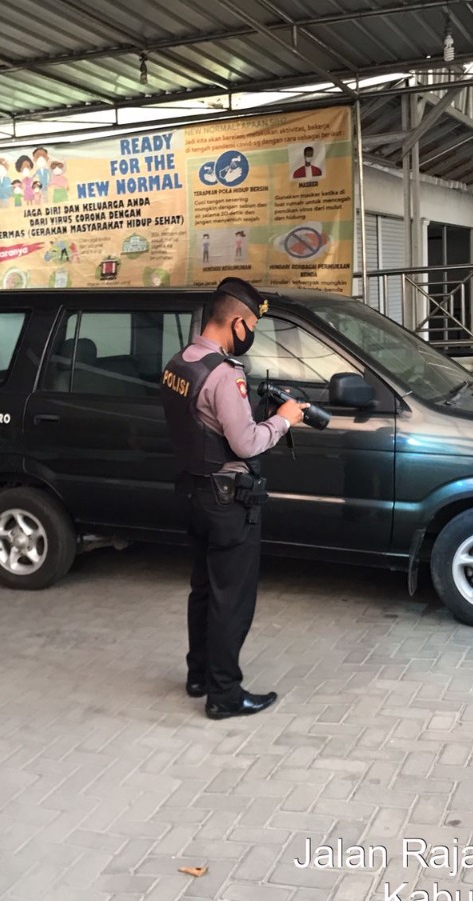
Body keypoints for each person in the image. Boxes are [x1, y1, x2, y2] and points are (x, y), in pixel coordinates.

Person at [160, 277, 308, 719]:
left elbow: (205, 427)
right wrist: (283, 420)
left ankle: (199, 674)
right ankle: (224, 695)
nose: (250, 336)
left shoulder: (180, 362)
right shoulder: (224, 374)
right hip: (227, 502)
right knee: (231, 598)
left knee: (203, 589)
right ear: (238, 323)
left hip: (191, 491)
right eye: (251, 327)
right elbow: (245, 444)